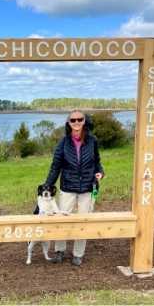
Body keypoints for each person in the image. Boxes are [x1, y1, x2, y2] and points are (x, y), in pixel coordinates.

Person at [42, 110, 104, 266]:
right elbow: (55, 166)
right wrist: (48, 185)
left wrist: (100, 173)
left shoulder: (92, 140)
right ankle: (59, 250)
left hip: (88, 188)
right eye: (73, 120)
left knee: (84, 221)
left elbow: (97, 161)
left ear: (84, 121)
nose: (76, 122)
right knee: (61, 220)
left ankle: (78, 254)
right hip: (68, 187)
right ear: (68, 123)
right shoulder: (63, 143)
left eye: (79, 119)